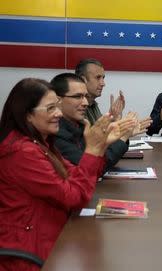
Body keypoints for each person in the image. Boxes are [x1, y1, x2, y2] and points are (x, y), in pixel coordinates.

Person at [0, 78, 122, 270]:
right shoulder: (22, 152)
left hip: (55, 236)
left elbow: (79, 174)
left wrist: (100, 147)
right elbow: (74, 197)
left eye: (56, 106)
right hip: (29, 253)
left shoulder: (40, 143)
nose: (58, 113)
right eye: (50, 108)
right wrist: (92, 150)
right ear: (27, 115)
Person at [51, 73, 150, 172]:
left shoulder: (80, 125)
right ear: (58, 101)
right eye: (78, 97)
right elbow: (93, 169)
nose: (85, 103)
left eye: (85, 96)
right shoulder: (55, 133)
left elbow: (101, 159)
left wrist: (120, 134)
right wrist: (122, 137)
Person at [75, 58, 125, 124]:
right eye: (98, 78)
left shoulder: (93, 104)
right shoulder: (76, 107)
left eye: (103, 78)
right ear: (83, 80)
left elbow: (101, 131)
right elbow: (91, 133)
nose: (103, 84)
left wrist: (112, 119)